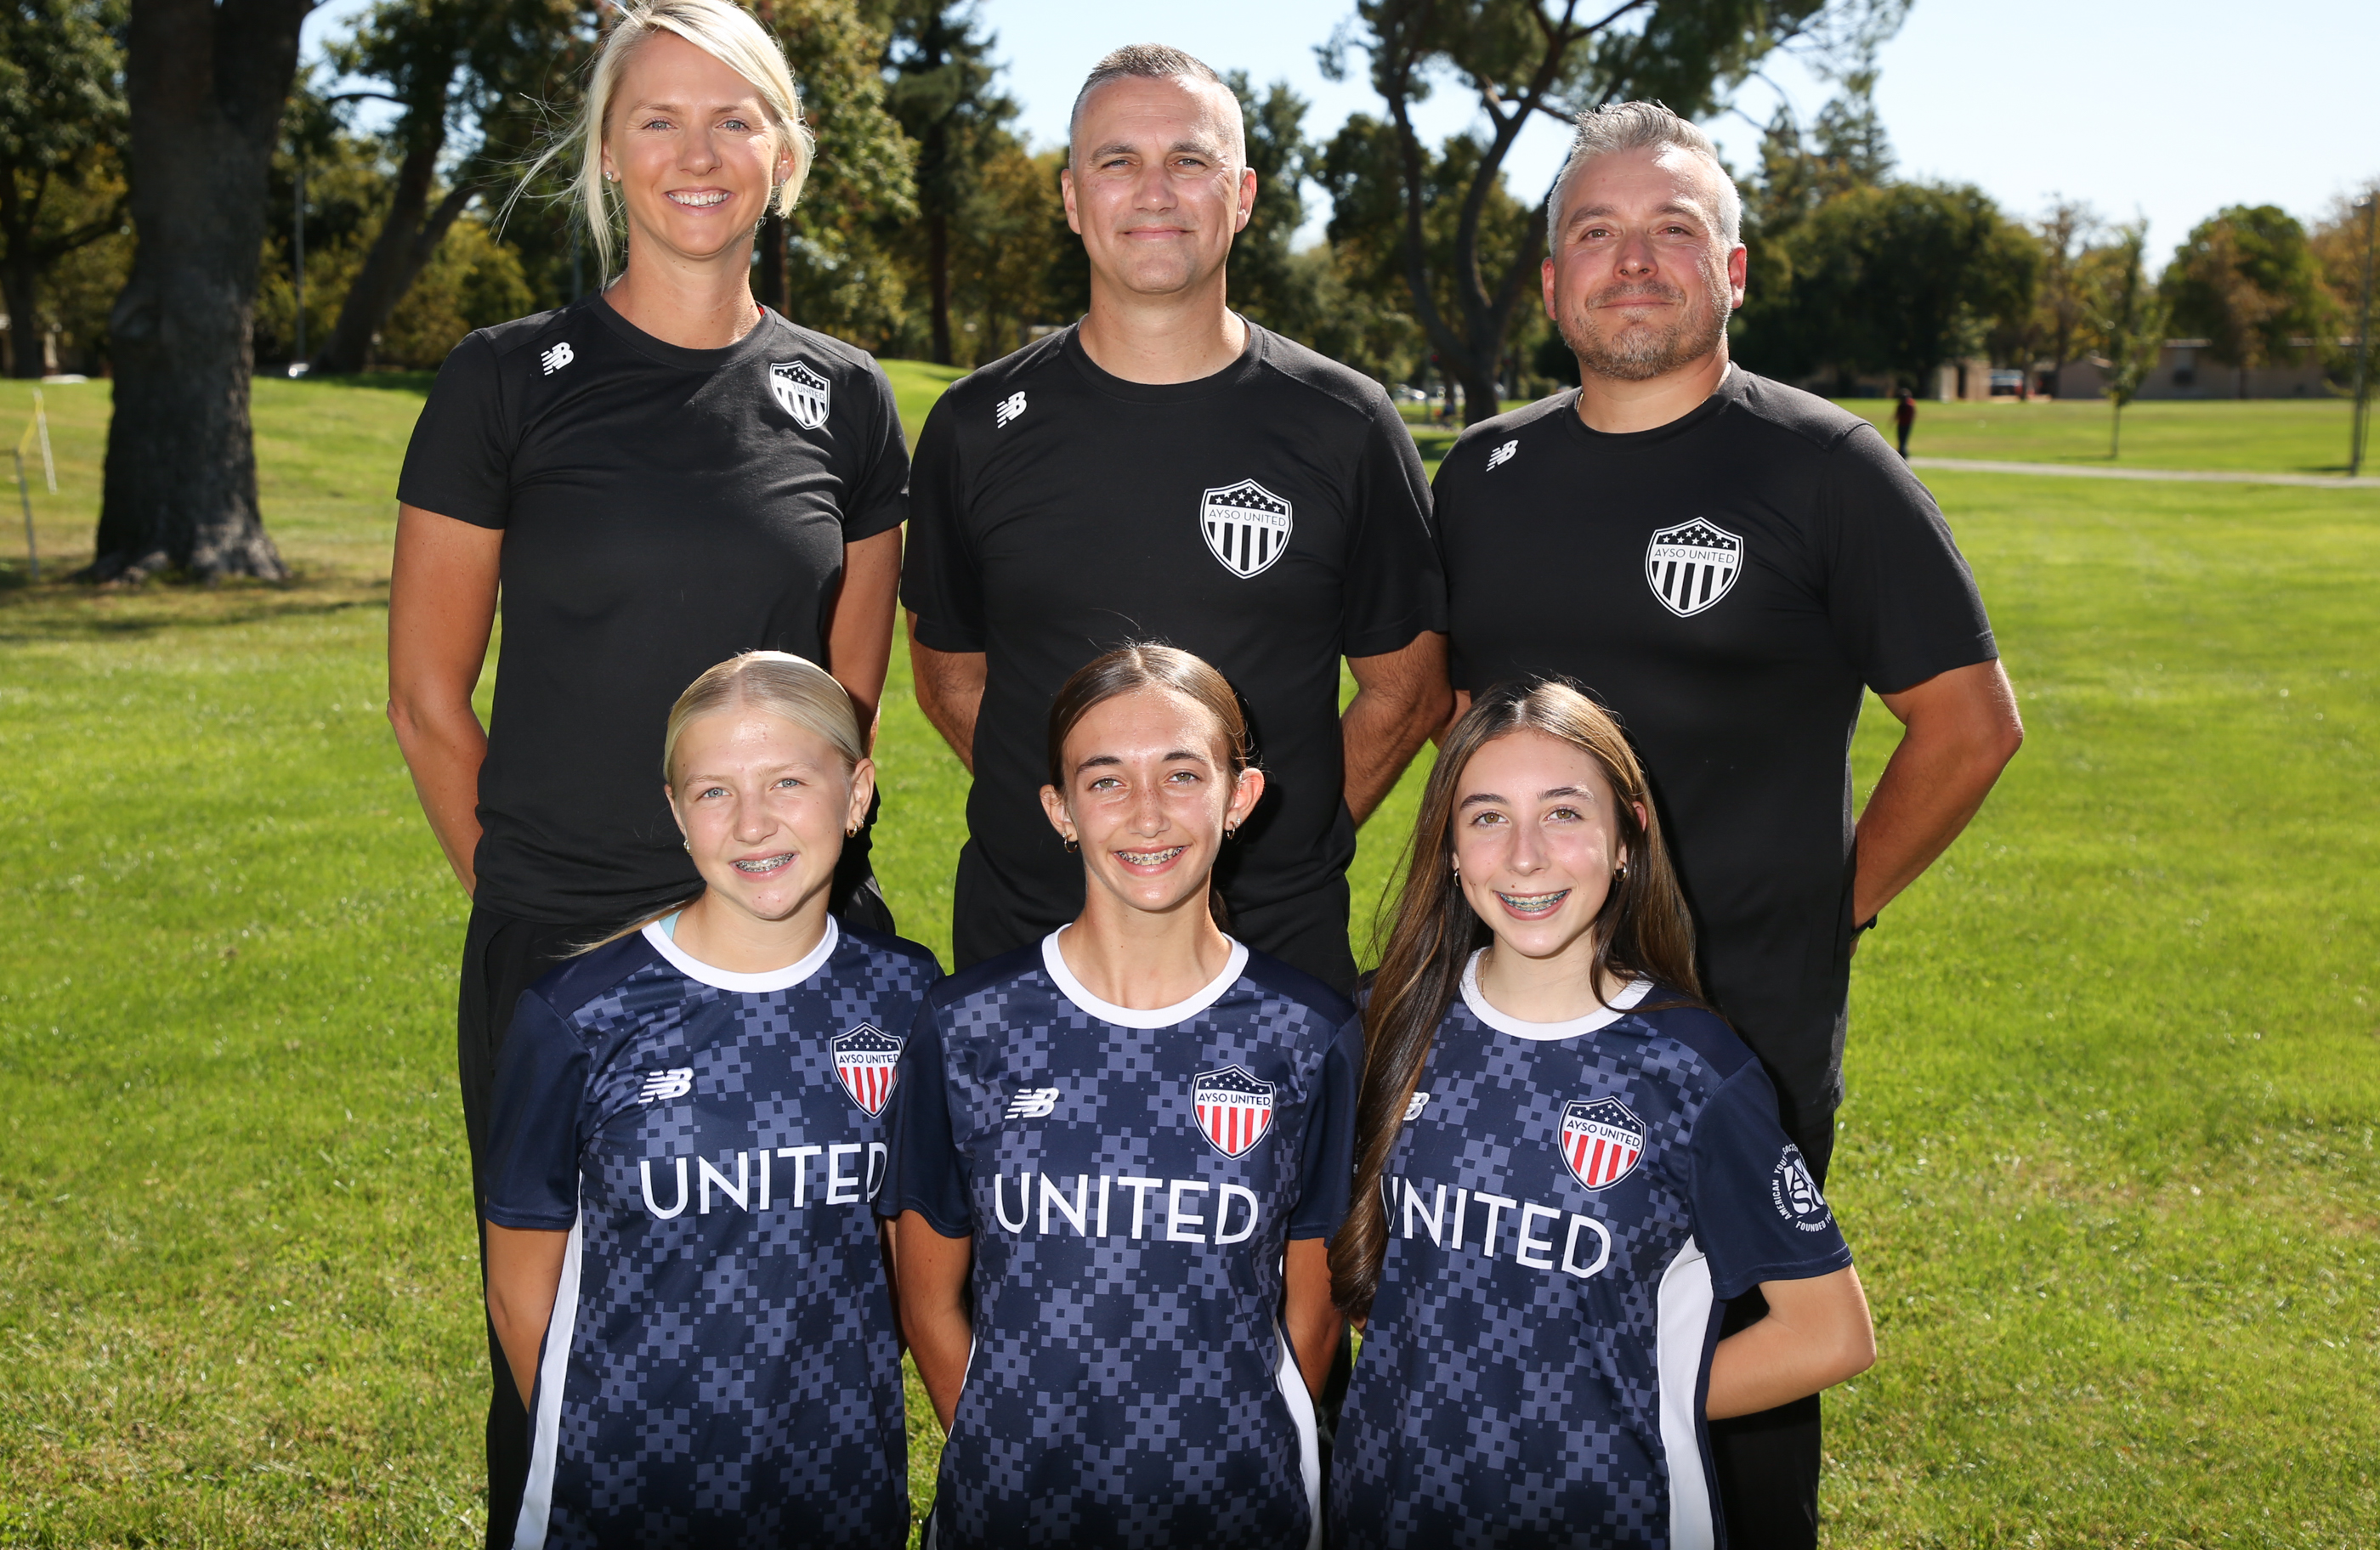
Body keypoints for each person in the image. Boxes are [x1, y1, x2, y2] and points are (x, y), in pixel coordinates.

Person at [1431, 101, 2021, 1547]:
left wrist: (1829, 909)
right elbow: (1461, 723)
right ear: (1554, 281)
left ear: (1733, 270)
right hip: (1516, 1013)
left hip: (1735, 1016)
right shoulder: (1485, 475)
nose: (1634, 261)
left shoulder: (1825, 468)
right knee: (1509, 1346)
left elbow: (1968, 726)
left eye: (1673, 230)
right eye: (1597, 233)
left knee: (1731, 1380)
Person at [385, 0, 911, 1544]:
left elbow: (847, 697)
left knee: (803, 1339)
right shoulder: (505, 378)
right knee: (556, 1344)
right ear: (608, 154)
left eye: (734, 119)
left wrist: (770, 913)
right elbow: (426, 696)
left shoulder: (847, 395)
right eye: (657, 120)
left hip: (794, 957)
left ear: (784, 154)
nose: (698, 153)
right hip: (567, 941)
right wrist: (538, 902)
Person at [901, 42, 1448, 993]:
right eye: (1118, 162)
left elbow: (1407, 691)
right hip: (1026, 942)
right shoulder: (974, 425)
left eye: (1189, 161)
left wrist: (1266, 841)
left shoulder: (1346, 424)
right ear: (1073, 199)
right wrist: (1090, 829)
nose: (1154, 192)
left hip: (1272, 951)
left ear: (1242, 196)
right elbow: (950, 677)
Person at [1329, 678, 1873, 1548]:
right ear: (1450, 849)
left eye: (1564, 813)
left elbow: (1829, 1333)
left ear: (1627, 837)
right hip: (1389, 1502)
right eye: (1487, 817)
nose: (1525, 856)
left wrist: (1608, 1398)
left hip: (1605, 1509)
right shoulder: (1387, 1021)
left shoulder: (1691, 1068)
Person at [878, 645, 1363, 1548]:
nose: (1147, 812)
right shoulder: (967, 1023)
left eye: (1183, 774)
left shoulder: (1308, 1033)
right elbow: (928, 1296)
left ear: (1240, 796)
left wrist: (1240, 1449)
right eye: (1106, 781)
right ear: (1059, 810)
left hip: (1233, 1511)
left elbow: (1314, 1305)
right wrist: (997, 1451)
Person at [480, 652, 940, 1548]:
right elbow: (516, 1290)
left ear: (856, 792)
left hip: (840, 1481)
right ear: (675, 811)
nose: (753, 822)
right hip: (627, 1494)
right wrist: (611, 1460)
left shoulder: (907, 995)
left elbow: (906, 1254)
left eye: (788, 782)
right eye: (714, 792)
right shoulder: (580, 1012)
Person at [1893, 388, 1918, 460]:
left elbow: (1896, 415)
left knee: (1901, 439)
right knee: (1904, 439)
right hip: (1907, 424)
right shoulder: (1910, 404)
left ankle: (1902, 452)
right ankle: (1903, 452)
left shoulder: (1901, 405)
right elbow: (1913, 415)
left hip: (1901, 424)